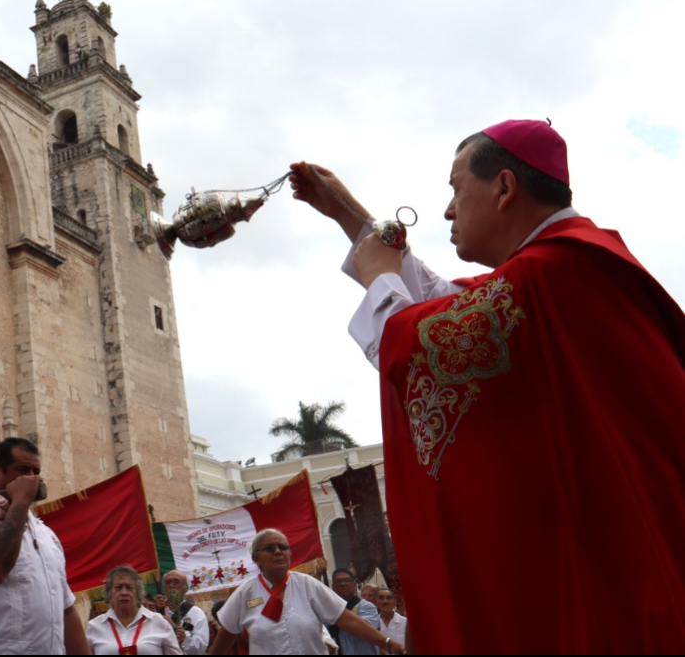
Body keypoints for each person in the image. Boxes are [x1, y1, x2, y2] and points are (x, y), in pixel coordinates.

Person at [288, 119, 685, 653]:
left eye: (455, 189)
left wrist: (380, 277)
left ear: (503, 188)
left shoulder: (551, 272)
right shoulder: (563, 266)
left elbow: (425, 346)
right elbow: (449, 300)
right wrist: (351, 218)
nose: (448, 210)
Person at [0, 437, 90, 654]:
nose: (31, 478)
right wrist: (20, 501)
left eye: (35, 471)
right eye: (22, 470)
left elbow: (65, 610)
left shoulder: (46, 535)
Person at [210, 530, 401, 656]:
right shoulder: (245, 593)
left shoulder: (307, 585)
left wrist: (387, 643)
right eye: (270, 548)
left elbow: (347, 620)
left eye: (282, 547)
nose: (278, 551)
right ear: (256, 559)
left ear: (289, 554)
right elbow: (226, 635)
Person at [85, 566, 181, 655]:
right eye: (118, 587)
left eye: (129, 588)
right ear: (109, 593)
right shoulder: (94, 627)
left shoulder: (158, 622)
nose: (124, 593)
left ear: (138, 594)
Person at [326, 571, 380, 655]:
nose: (343, 583)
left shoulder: (367, 606)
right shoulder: (326, 608)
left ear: (354, 585)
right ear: (333, 586)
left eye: (347, 580)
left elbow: (364, 630)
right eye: (338, 581)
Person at [155, 570, 208, 655]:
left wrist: (174, 627)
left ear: (185, 588)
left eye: (176, 582)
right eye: (167, 582)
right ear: (163, 587)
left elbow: (199, 648)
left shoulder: (196, 613)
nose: (171, 585)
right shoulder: (155, 611)